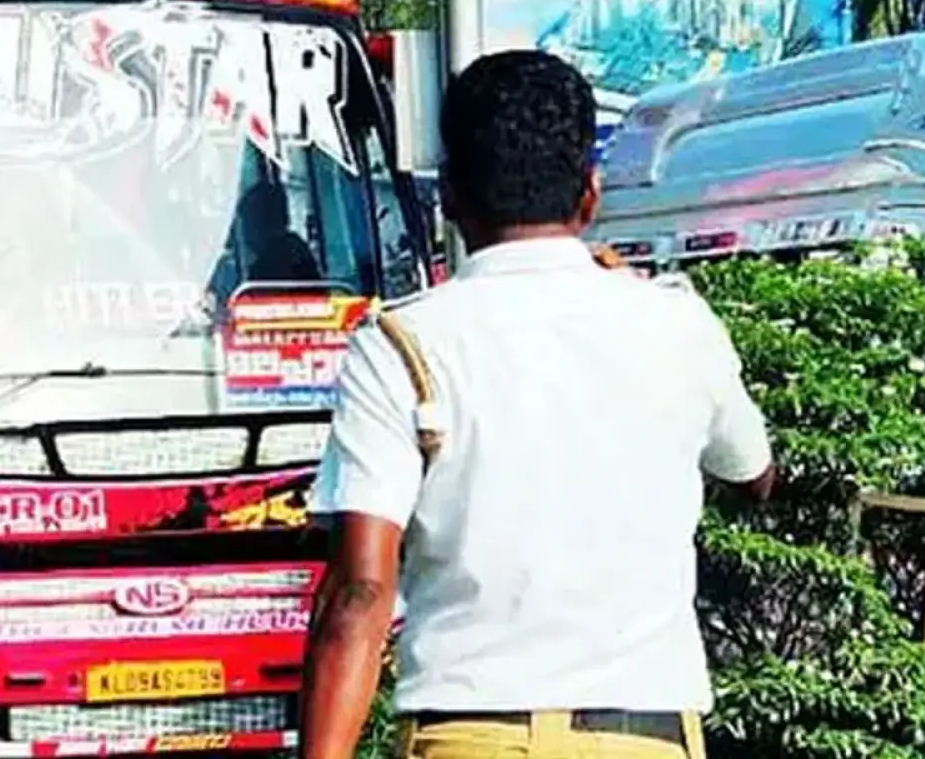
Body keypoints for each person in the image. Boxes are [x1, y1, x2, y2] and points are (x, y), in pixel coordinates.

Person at [297, 50, 777, 759]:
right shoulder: (679, 325)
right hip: (643, 739)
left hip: (467, 737)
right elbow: (752, 474)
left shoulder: (400, 342)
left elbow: (360, 596)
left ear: (449, 195)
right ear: (590, 194)